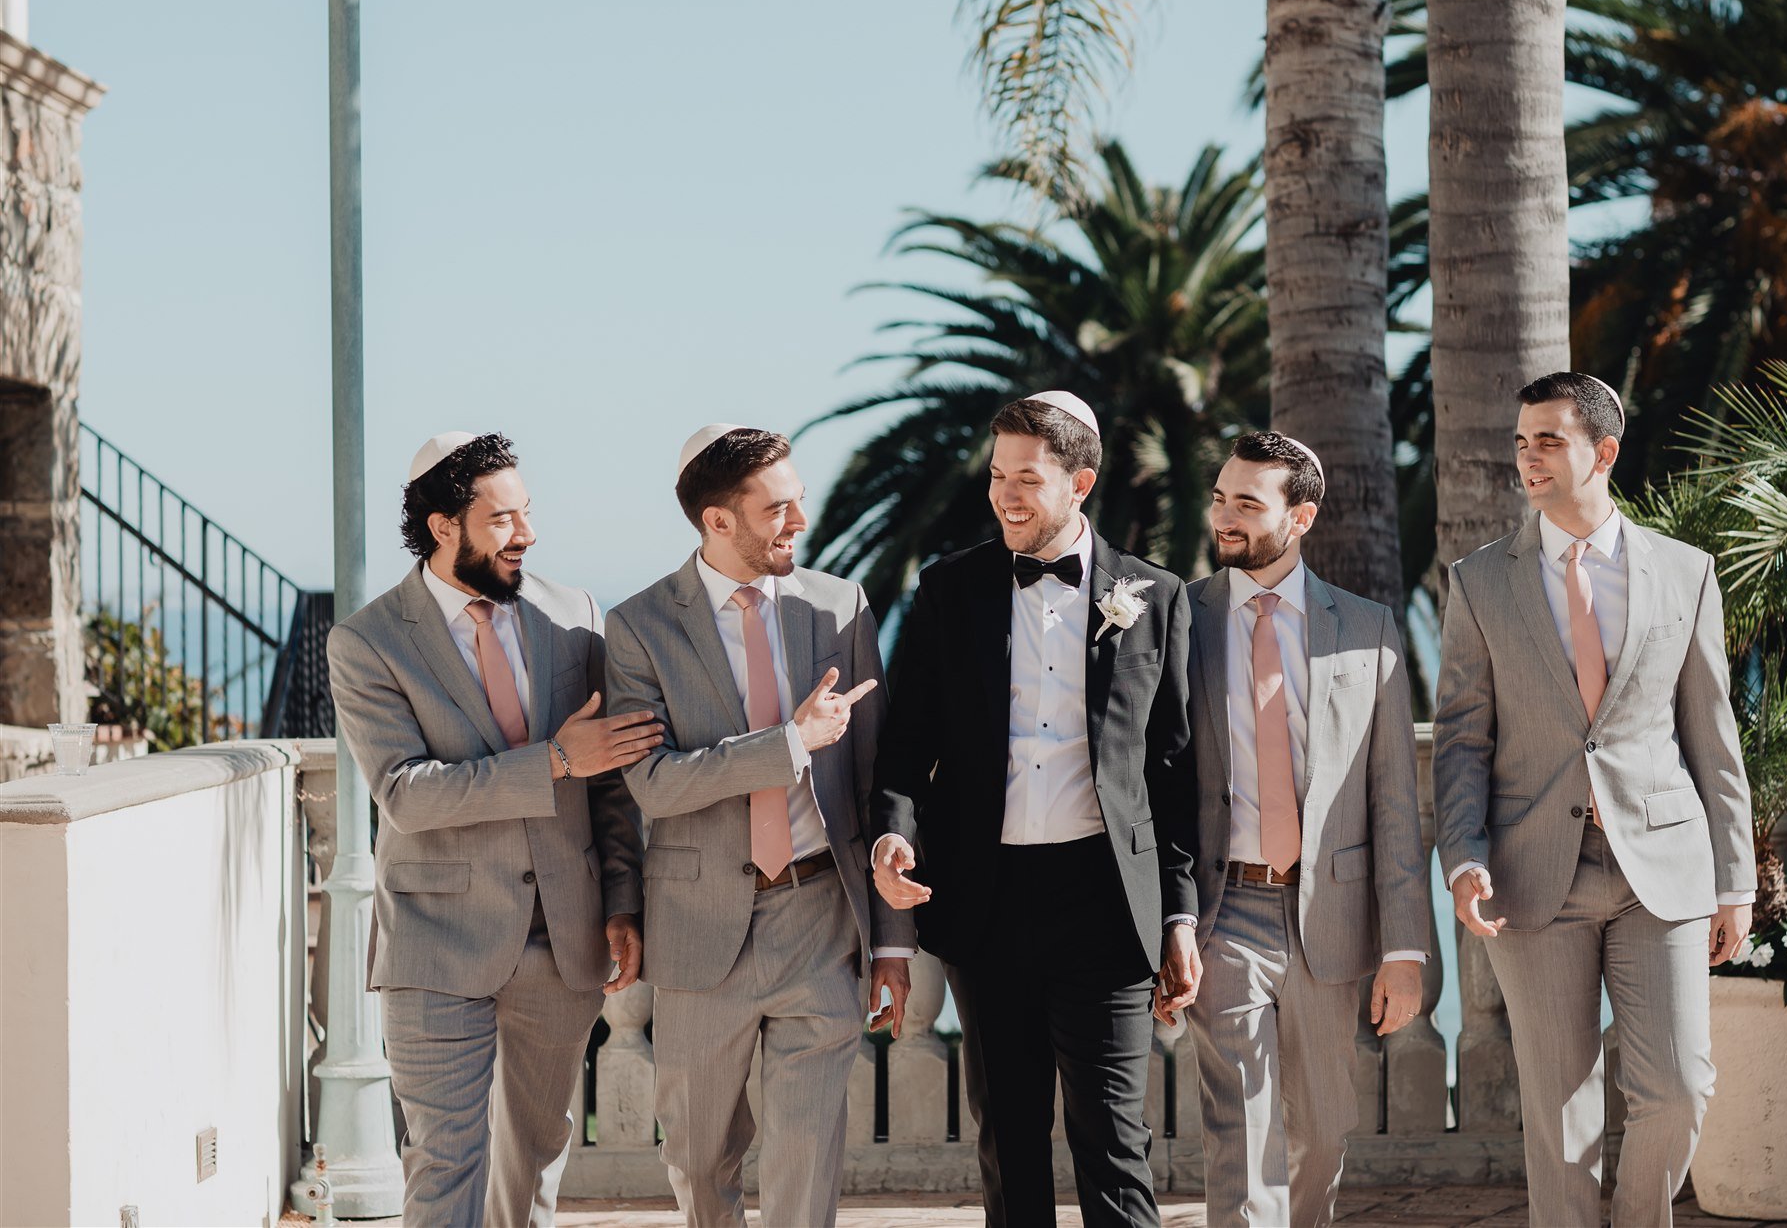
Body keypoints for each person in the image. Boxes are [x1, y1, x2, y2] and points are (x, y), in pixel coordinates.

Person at [1432, 373, 1757, 1227]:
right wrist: (1462, 857)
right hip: (1533, 873)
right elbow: (1462, 736)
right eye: (1520, 440)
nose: (1527, 456)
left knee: (1682, 1088)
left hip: (1664, 868)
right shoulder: (1479, 582)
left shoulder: (1684, 572)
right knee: (1561, 1115)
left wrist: (1737, 883)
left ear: (1603, 452)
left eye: (1549, 439)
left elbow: (1712, 735)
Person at [870, 391, 1198, 1228]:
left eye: (1027, 478)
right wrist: (893, 838)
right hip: (988, 898)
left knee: (1117, 1140)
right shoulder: (950, 590)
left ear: (1080, 481)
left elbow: (1175, 773)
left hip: (1107, 901)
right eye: (996, 475)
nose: (1004, 495)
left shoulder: (1155, 597)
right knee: (1008, 1136)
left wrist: (1181, 916)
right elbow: (906, 744)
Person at [327, 431, 654, 1226]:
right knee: (445, 1160)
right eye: (503, 519)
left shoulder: (572, 614)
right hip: (435, 941)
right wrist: (551, 761)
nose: (526, 535)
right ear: (445, 526)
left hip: (561, 937)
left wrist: (622, 899)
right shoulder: (366, 643)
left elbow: (606, 780)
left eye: (528, 513)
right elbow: (407, 793)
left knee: (535, 1158)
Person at [605, 424, 911, 1227]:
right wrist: (787, 745)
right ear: (718, 520)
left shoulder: (838, 606)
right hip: (701, 930)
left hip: (820, 914)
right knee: (700, 1161)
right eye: (777, 507)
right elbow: (654, 783)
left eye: (798, 500)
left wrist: (891, 940)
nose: (798, 522)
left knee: (807, 1160)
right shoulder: (638, 627)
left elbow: (881, 778)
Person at [1182, 432, 1433, 1228]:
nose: (1225, 515)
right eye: (1221, 497)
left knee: (1324, 1131)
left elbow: (1396, 799)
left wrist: (1405, 948)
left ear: (1302, 516)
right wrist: (1169, 919)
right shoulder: (1177, 621)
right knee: (1241, 1131)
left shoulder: (1368, 630)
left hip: (1331, 914)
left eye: (1248, 503)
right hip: (1225, 912)